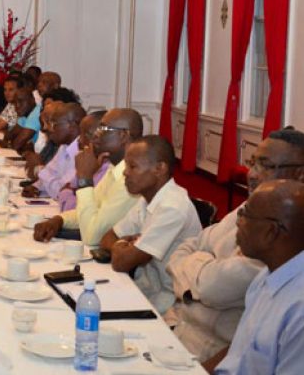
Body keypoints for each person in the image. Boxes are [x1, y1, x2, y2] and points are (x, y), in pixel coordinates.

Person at [166, 129, 304, 362]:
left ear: (300, 175)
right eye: (252, 163)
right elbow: (183, 249)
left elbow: (212, 287)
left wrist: (199, 263)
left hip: (203, 351)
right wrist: (206, 266)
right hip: (173, 327)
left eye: (265, 165)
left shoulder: (285, 239)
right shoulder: (251, 209)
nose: (251, 174)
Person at [96, 135, 201, 314]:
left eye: (133, 166)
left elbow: (122, 262)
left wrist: (126, 248)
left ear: (159, 169)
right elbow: (106, 238)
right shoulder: (146, 199)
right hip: (143, 289)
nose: (125, 172)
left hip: (170, 303)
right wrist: (125, 245)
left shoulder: (172, 207)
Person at [210, 180, 304, 374]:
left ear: (271, 232)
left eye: (246, 214)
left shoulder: (298, 310)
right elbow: (240, 352)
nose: (238, 221)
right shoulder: (267, 276)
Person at [34, 108, 142, 246]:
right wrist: (58, 220)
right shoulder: (114, 169)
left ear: (123, 136)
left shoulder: (130, 180)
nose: (96, 136)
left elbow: (92, 237)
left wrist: (84, 178)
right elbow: (86, 211)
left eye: (103, 129)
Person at [23, 103, 85, 200]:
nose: (49, 128)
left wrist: (39, 168)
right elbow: (51, 173)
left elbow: (61, 190)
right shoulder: (64, 146)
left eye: (54, 124)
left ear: (72, 127)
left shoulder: (82, 153)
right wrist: (37, 187)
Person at [56, 110, 109, 211]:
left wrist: (67, 193)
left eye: (86, 135)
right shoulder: (88, 161)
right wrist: (69, 192)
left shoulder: (107, 170)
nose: (79, 140)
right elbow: (66, 187)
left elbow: (75, 210)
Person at [1, 75, 39, 153]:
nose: (17, 106)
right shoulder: (24, 116)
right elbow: (9, 136)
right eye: (15, 103)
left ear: (33, 100)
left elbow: (17, 143)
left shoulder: (36, 114)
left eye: (21, 101)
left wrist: (11, 144)